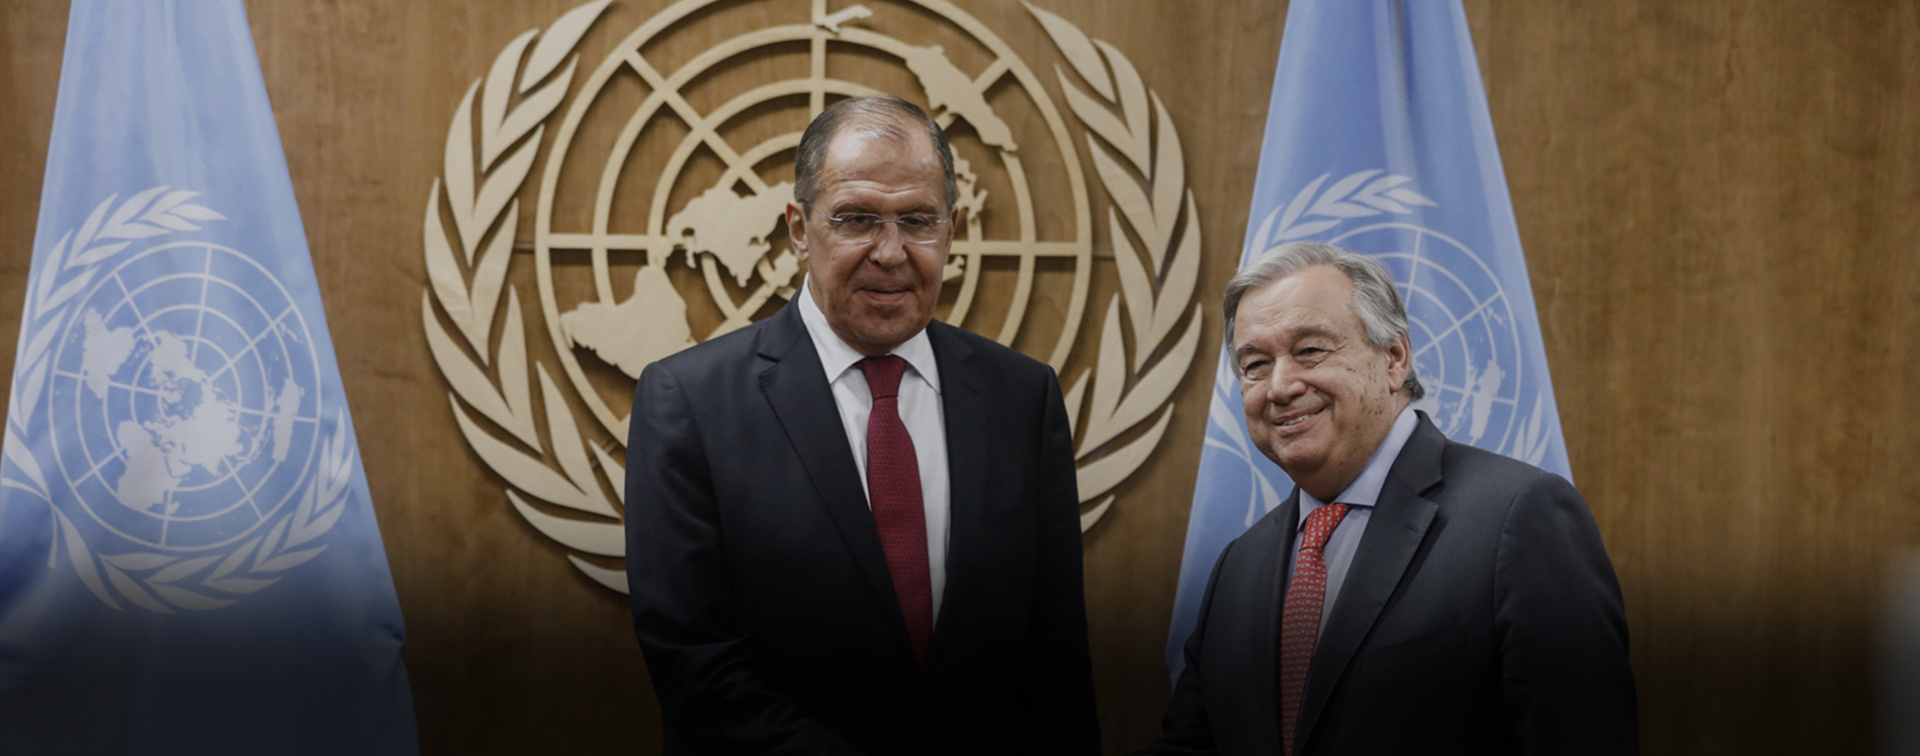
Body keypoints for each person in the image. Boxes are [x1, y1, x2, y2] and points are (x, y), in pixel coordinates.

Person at [624, 95, 1100, 756]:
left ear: (951, 231)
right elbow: (697, 667)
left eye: (918, 221)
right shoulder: (690, 402)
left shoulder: (1023, 397)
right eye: (856, 219)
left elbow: (1056, 664)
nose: (891, 252)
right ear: (798, 229)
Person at [1139, 241, 1638, 755]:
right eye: (1256, 364)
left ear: (1394, 358)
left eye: (1310, 351)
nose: (1280, 386)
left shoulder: (1519, 517)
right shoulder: (1238, 566)